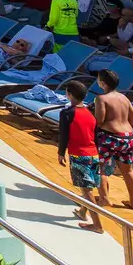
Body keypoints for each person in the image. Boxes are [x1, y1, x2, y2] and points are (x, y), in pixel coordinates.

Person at [54, 79, 105, 228]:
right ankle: (83, 212)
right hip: (93, 154)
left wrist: (61, 153)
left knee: (86, 190)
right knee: (89, 186)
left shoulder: (67, 113)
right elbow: (96, 136)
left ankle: (97, 225)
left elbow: (64, 135)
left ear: (69, 95)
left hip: (79, 155)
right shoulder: (91, 113)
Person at [92, 68, 133, 209]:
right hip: (128, 138)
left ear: (102, 83)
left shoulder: (101, 98)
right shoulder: (124, 98)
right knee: (128, 171)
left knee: (99, 169)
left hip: (110, 137)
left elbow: (100, 120)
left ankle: (104, 199)